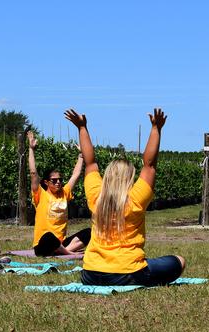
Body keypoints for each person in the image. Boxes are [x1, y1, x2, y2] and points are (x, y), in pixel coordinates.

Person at [65, 108, 186, 286]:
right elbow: (150, 165)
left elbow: (90, 163)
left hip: (90, 274)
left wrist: (82, 128)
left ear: (107, 176)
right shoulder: (136, 199)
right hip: (126, 274)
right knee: (179, 260)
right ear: (129, 178)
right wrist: (156, 128)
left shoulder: (96, 197)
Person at [27, 129, 90, 256]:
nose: (58, 183)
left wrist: (81, 155)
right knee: (48, 237)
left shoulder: (65, 193)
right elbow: (33, 174)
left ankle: (64, 251)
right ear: (46, 182)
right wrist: (31, 149)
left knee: (89, 232)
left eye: (60, 180)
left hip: (62, 243)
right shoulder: (40, 194)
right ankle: (69, 252)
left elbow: (76, 174)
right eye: (54, 180)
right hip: (44, 245)